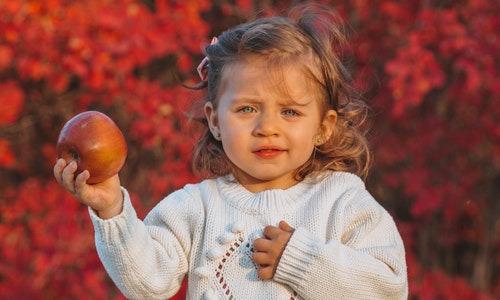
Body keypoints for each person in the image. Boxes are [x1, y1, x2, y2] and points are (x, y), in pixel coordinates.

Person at [53, 3, 408, 299]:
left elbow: (389, 287)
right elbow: (148, 283)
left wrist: (301, 260)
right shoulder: (195, 207)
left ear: (323, 126)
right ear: (215, 121)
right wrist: (112, 210)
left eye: (290, 112)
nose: (267, 127)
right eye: (247, 109)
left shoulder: (341, 201)